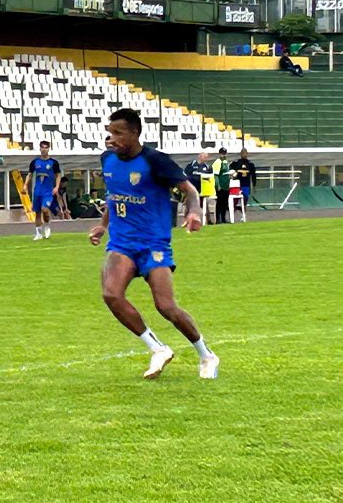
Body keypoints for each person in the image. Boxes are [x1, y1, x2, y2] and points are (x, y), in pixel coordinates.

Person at [91, 107, 218, 380]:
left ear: (135, 133)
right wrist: (103, 225)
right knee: (111, 294)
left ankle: (206, 355)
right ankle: (157, 348)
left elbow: (190, 190)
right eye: (109, 133)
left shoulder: (156, 161)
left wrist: (193, 211)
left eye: (117, 133)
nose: (110, 139)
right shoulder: (107, 160)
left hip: (153, 244)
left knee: (166, 307)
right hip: (122, 243)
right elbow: (115, 196)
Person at [28, 142, 63, 240]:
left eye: (46, 148)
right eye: (42, 147)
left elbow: (58, 175)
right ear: (39, 149)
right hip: (37, 191)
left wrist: (56, 187)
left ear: (49, 149)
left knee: (45, 209)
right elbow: (30, 174)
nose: (44, 149)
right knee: (37, 212)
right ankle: (38, 233)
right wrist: (25, 185)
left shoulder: (53, 163)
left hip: (48, 191)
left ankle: (47, 226)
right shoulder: (35, 162)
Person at [184, 150, 215, 223]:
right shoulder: (191, 165)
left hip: (202, 188)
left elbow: (210, 177)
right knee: (189, 205)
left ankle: (208, 220)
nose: (205, 159)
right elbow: (185, 175)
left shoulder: (206, 167)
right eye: (204, 157)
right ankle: (186, 220)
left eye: (206, 157)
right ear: (200, 156)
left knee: (204, 204)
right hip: (192, 189)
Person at [230, 147, 257, 221]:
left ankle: (243, 215)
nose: (244, 155)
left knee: (245, 199)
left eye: (245, 153)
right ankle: (233, 214)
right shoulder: (236, 163)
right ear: (240, 154)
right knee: (234, 200)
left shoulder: (250, 164)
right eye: (243, 153)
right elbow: (230, 170)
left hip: (246, 185)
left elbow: (253, 176)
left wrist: (254, 186)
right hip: (237, 185)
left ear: (247, 154)